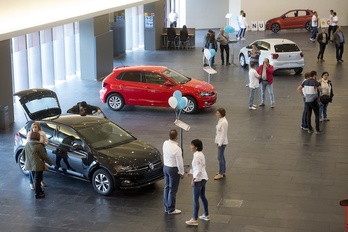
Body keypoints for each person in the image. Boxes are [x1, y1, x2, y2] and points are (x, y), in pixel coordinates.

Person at [185, 139, 209, 226]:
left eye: (192, 145)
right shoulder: (200, 154)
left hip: (199, 180)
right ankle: (206, 214)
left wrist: (193, 179)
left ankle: (194, 219)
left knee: (195, 199)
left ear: (196, 147)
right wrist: (191, 172)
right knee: (202, 196)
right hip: (204, 178)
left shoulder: (197, 156)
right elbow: (198, 167)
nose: (190, 146)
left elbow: (198, 170)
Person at [22, 131, 53, 199]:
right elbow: (44, 156)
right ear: (38, 137)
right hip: (38, 165)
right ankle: (37, 194)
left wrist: (25, 161)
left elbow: (23, 153)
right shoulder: (39, 145)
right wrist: (50, 163)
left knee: (34, 178)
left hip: (30, 164)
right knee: (38, 179)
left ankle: (40, 191)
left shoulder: (27, 144)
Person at [162, 129, 185, 215]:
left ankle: (166, 206)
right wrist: (181, 172)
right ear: (177, 137)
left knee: (167, 187)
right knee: (173, 189)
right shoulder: (177, 149)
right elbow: (180, 162)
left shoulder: (165, 143)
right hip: (173, 169)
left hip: (166, 167)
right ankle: (171, 209)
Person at [27, 122, 48, 190]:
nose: (34, 129)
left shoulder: (42, 133)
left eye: (35, 127)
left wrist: (42, 144)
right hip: (33, 153)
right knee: (32, 169)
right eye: (33, 127)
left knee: (40, 168)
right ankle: (31, 183)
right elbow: (28, 143)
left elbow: (46, 142)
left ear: (38, 127)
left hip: (41, 152)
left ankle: (41, 180)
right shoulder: (30, 134)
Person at [214, 108, 228, 180]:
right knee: (222, 156)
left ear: (221, 114)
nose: (216, 114)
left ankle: (221, 173)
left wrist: (220, 143)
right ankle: (223, 170)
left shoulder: (224, 122)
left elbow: (223, 134)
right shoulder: (221, 120)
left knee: (219, 157)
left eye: (218, 113)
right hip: (219, 140)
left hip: (221, 142)